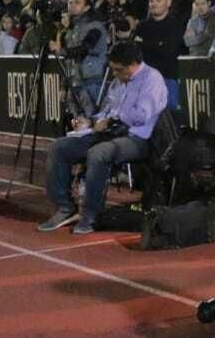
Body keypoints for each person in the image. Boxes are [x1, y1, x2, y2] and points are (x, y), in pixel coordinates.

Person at [38, 42, 168, 235]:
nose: (114, 75)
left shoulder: (152, 79)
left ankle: (91, 215)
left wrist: (112, 119)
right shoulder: (118, 81)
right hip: (108, 133)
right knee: (60, 147)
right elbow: (106, 109)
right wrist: (90, 121)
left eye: (118, 70)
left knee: (98, 153)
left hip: (137, 139)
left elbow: (142, 115)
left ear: (132, 65)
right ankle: (65, 208)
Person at [57, 0, 110, 117]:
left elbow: (86, 47)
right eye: (70, 2)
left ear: (86, 7)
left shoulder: (94, 26)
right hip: (74, 82)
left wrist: (62, 52)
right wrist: (64, 86)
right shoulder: (71, 30)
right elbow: (67, 61)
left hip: (92, 81)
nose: (72, 5)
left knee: (94, 118)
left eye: (77, 2)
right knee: (79, 122)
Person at [135, 0, 188, 109]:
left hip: (168, 79)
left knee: (170, 116)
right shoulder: (142, 26)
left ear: (168, 3)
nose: (153, 3)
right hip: (144, 81)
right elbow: (137, 53)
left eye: (158, 0)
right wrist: (157, 45)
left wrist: (147, 44)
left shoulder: (177, 24)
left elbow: (168, 52)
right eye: (151, 0)